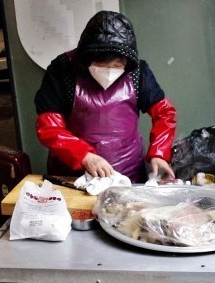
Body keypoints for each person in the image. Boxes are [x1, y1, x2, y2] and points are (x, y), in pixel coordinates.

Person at [34, 10, 177, 183]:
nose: (109, 71)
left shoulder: (138, 72)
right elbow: (49, 127)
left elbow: (164, 113)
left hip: (128, 174)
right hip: (73, 175)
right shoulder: (62, 70)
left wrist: (159, 153)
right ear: (86, 58)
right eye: (101, 64)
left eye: (117, 65)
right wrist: (83, 156)